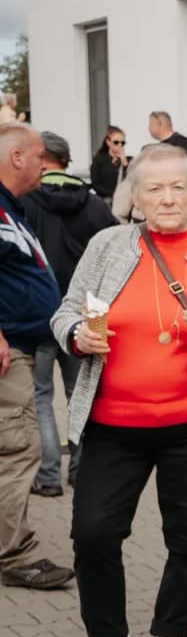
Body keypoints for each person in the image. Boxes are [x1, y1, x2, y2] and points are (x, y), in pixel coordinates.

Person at [52, 145, 187, 637]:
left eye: (178, 187)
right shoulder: (108, 246)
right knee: (93, 533)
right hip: (113, 424)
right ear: (134, 196)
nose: (167, 198)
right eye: (154, 188)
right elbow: (65, 311)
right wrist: (77, 336)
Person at [0, 123, 73, 590]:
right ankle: (14, 555)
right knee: (17, 448)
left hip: (24, 346)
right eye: (39, 157)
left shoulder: (12, 209)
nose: (46, 166)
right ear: (17, 158)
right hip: (11, 355)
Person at [22, 131, 115, 496]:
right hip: (84, 315)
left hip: (39, 314)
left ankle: (47, 478)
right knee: (82, 393)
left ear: (43, 159)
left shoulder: (23, 203)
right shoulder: (94, 205)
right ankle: (80, 471)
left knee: (42, 397)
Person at [90, 125, 130, 203]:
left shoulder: (128, 160)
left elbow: (132, 179)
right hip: (106, 197)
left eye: (123, 143)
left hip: (124, 198)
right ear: (108, 142)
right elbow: (96, 184)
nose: (120, 145)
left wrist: (124, 163)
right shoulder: (99, 159)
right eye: (116, 142)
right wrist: (113, 194)